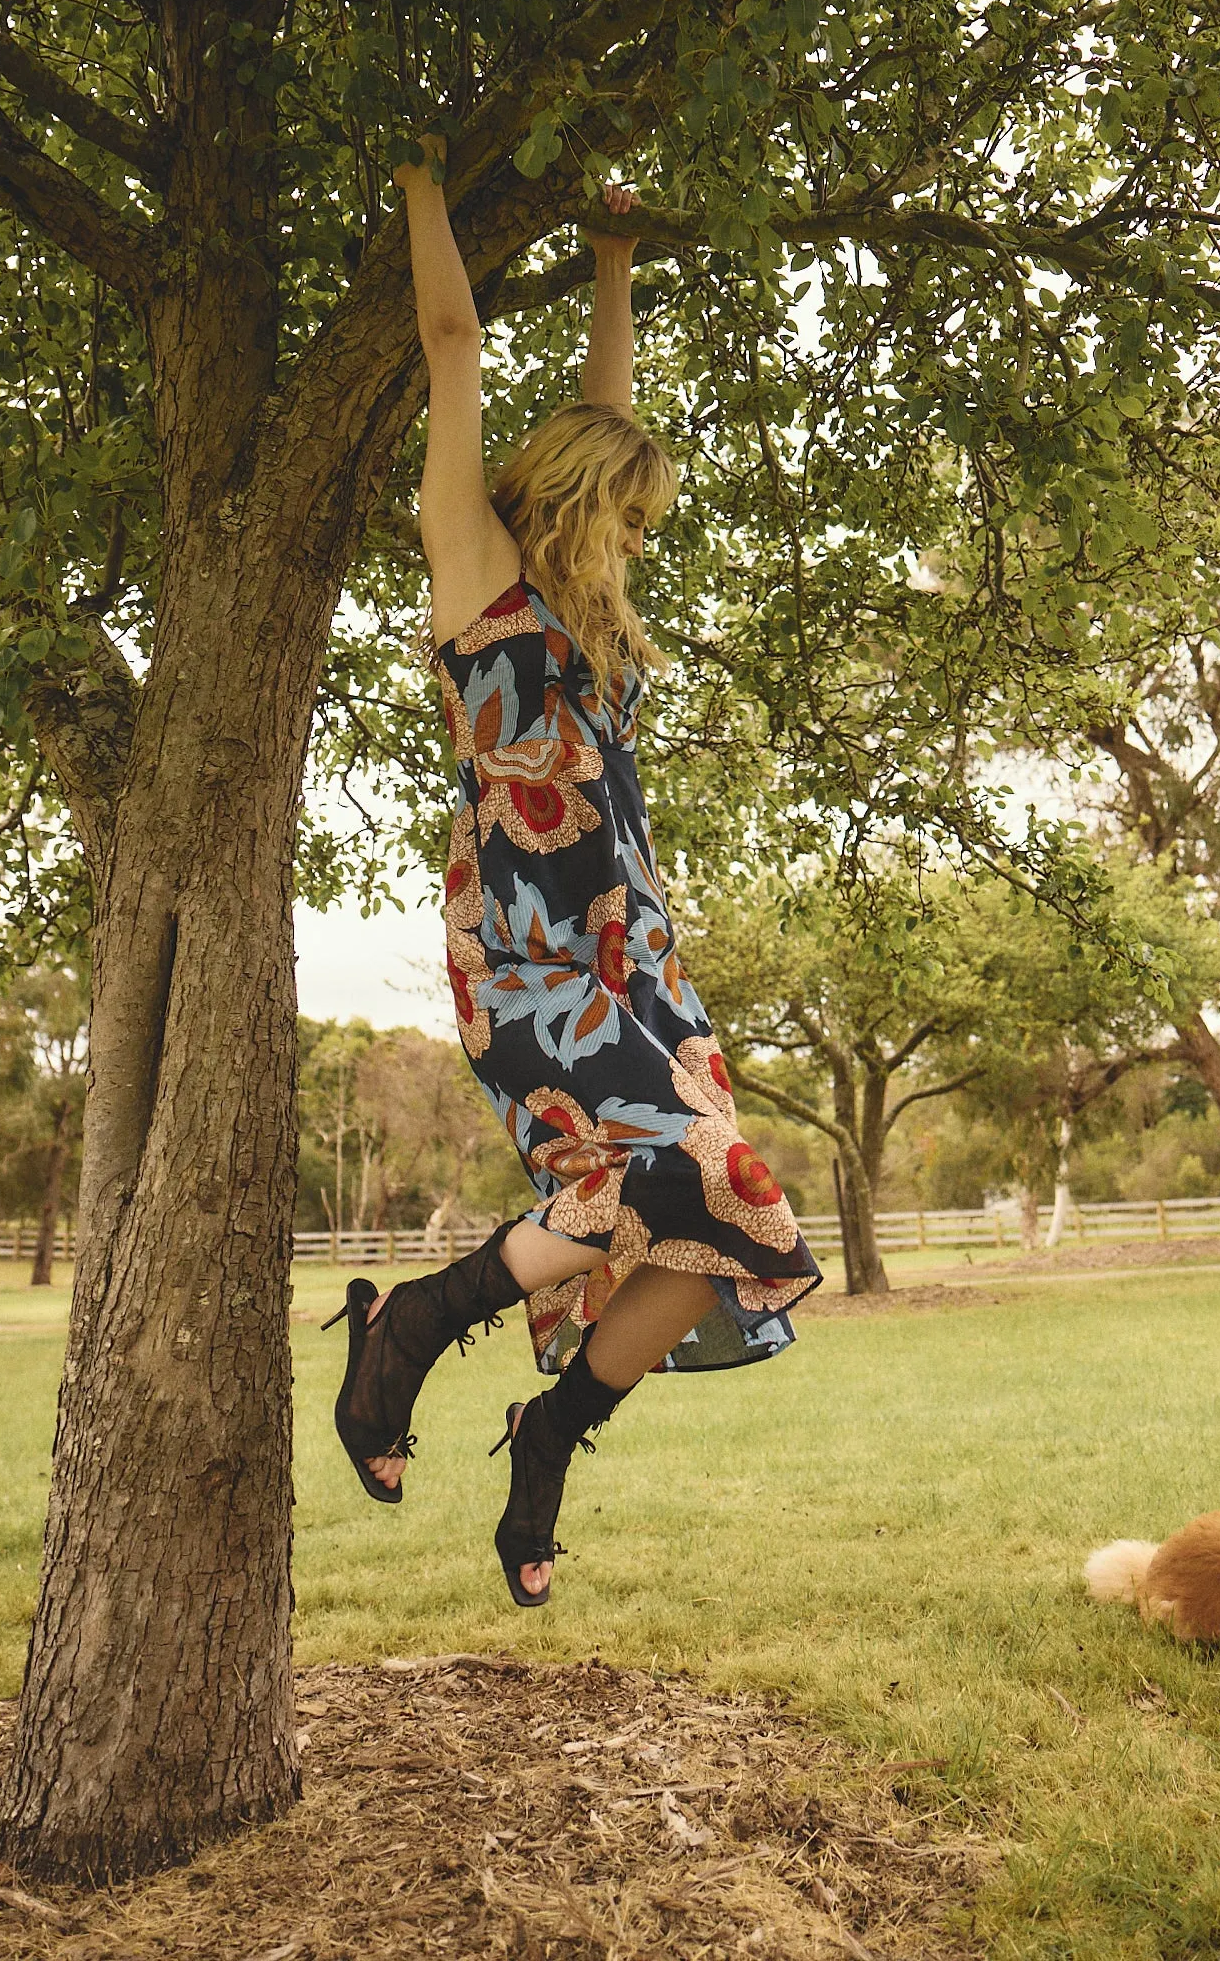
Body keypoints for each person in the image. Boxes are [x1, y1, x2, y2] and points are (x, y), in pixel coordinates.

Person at [326, 139, 819, 1605]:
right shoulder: (471, 563)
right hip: (536, 957)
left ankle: (547, 1433)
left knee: (743, 1213)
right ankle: (410, 1330)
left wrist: (614, 262)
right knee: (659, 1181)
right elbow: (455, 342)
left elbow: (609, 404)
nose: (637, 541)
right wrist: (422, 178)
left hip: (638, 958)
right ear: (583, 500)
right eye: (630, 513)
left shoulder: (588, 624)